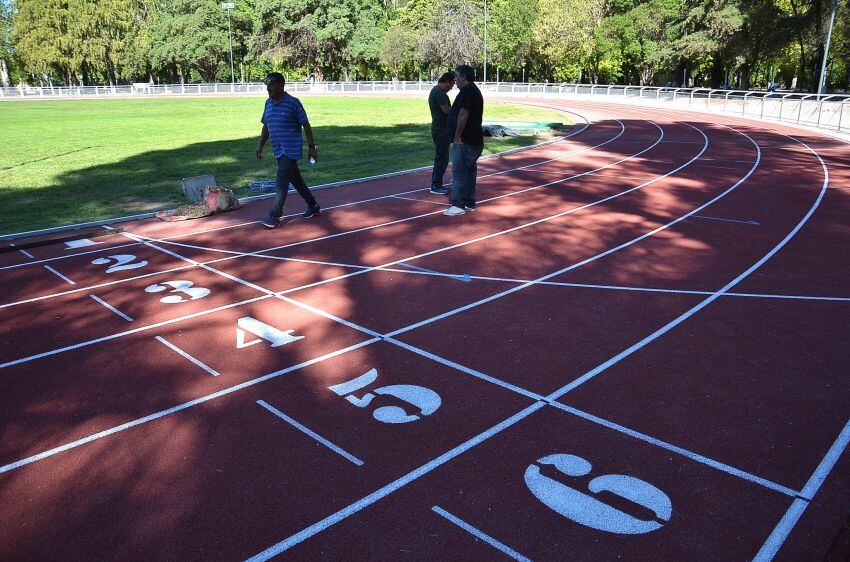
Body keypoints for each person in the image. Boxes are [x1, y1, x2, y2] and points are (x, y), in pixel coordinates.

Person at [256, 72, 320, 229]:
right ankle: (313, 205)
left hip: (290, 151)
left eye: (271, 84)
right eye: (267, 85)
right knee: (296, 180)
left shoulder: (293, 103)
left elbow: (306, 124)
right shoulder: (268, 104)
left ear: (281, 85)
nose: (268, 88)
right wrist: (261, 145)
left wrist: (312, 148)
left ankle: (274, 216)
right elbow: (266, 125)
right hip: (278, 150)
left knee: (281, 182)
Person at [444, 65, 484, 216]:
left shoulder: (467, 91)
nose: (455, 79)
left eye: (457, 76)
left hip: (466, 140)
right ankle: (469, 202)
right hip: (473, 140)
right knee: (469, 172)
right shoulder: (472, 90)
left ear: (464, 77)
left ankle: (458, 205)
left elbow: (463, 115)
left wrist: (457, 136)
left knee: (459, 173)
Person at [428, 72, 455, 194]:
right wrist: (459, 109)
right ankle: (436, 185)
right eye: (452, 84)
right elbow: (446, 110)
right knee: (442, 158)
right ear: (447, 81)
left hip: (441, 129)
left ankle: (436, 183)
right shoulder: (439, 92)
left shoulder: (437, 91)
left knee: (442, 157)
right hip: (441, 130)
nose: (452, 87)